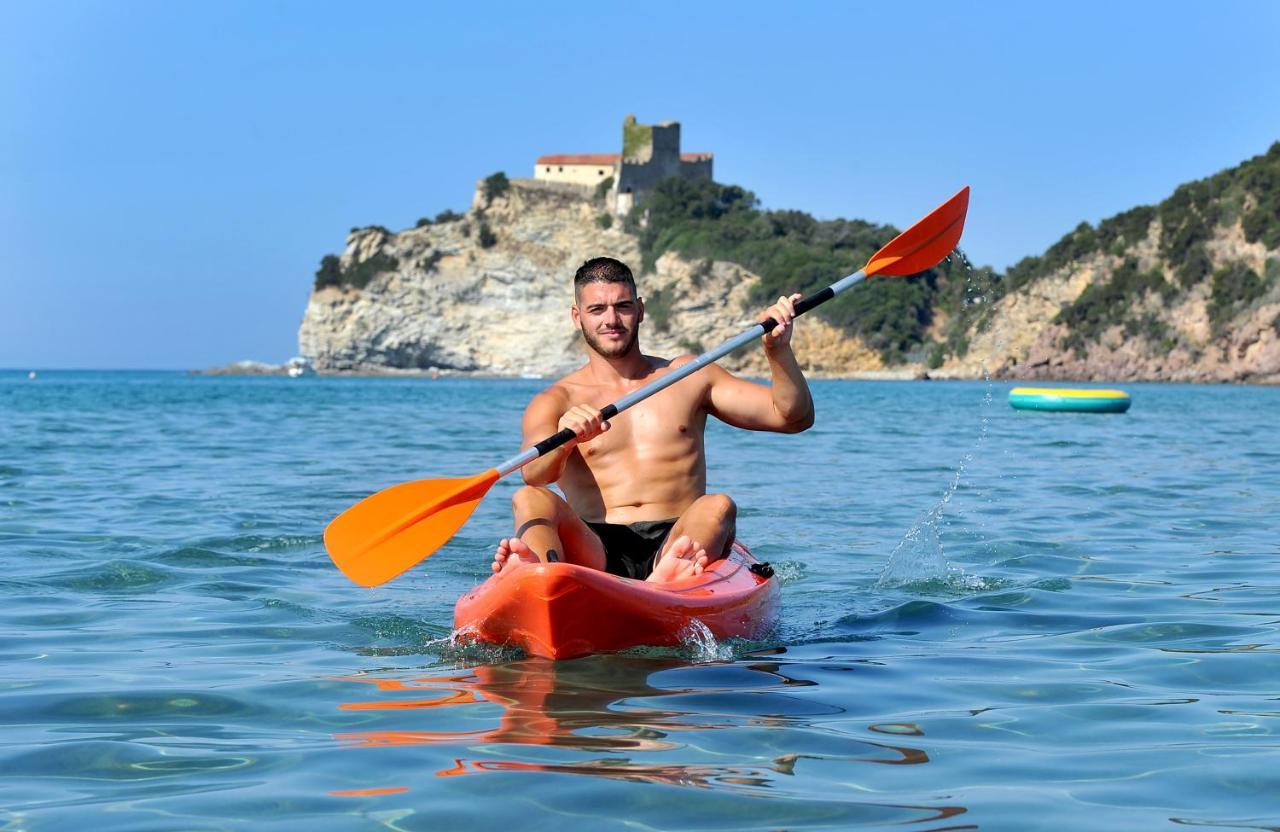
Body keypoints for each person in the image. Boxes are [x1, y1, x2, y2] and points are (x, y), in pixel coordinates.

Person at [492, 256, 814, 583]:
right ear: (577, 317)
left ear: (641, 310)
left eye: (623, 306)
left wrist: (777, 351)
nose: (612, 319)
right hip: (592, 549)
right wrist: (565, 441)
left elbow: (791, 417)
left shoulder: (688, 375)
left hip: (678, 537)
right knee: (528, 499)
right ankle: (538, 573)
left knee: (718, 506)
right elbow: (533, 474)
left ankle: (666, 582)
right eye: (597, 309)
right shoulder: (557, 400)